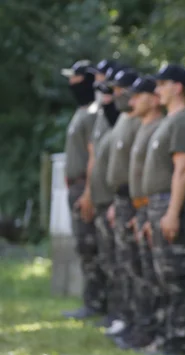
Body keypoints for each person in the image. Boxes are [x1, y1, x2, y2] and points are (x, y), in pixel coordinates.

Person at [139, 64, 185, 355]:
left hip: (169, 202)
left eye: (162, 84)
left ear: (178, 87)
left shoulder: (183, 120)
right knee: (162, 275)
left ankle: (179, 339)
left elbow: (183, 168)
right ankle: (165, 336)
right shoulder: (170, 120)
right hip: (158, 203)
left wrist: (173, 211)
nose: (157, 90)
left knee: (174, 276)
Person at [60, 59, 105, 320]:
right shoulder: (83, 111)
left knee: (90, 246)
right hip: (74, 186)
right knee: (83, 245)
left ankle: (97, 302)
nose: (70, 85)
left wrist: (89, 193)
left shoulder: (93, 114)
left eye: (75, 80)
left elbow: (94, 155)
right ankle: (92, 300)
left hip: (84, 187)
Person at [123, 75, 165, 350]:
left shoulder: (160, 126)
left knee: (156, 275)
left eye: (138, 95)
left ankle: (159, 333)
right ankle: (145, 329)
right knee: (141, 272)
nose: (131, 101)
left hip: (154, 207)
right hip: (140, 208)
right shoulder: (141, 127)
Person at [105, 68, 143, 342]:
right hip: (120, 199)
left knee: (135, 264)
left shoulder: (138, 123)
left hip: (134, 200)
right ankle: (127, 317)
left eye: (121, 90)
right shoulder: (122, 120)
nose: (117, 95)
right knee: (123, 263)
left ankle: (137, 321)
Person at [86, 60, 119, 330]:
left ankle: (122, 316)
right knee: (108, 259)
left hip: (116, 200)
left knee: (121, 263)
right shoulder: (102, 116)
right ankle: (115, 313)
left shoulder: (118, 119)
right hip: (105, 199)